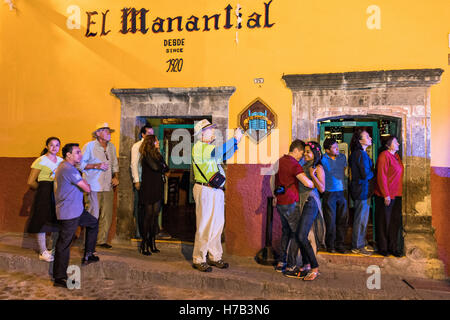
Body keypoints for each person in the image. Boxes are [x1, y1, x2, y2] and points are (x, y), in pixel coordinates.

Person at [191, 119, 242, 272]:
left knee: (217, 225)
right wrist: (233, 139)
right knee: (205, 225)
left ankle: (215, 256)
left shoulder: (209, 148)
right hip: (205, 189)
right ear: (201, 133)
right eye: (210, 129)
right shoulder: (199, 147)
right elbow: (220, 152)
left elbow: (225, 155)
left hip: (215, 190)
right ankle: (199, 258)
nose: (213, 131)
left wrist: (236, 142)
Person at [53, 143, 99, 288]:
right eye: (77, 152)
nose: (80, 155)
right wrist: (86, 183)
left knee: (93, 223)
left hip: (77, 210)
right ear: (68, 155)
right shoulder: (68, 168)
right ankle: (59, 278)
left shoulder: (69, 167)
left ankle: (88, 254)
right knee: (64, 244)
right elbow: (87, 188)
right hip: (69, 212)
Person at [271, 139, 314, 274]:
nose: (301, 157)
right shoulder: (293, 164)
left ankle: (281, 262)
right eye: (301, 153)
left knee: (286, 233)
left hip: (280, 202)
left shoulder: (280, 161)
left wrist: (274, 196)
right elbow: (306, 182)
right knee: (296, 234)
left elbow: (272, 180)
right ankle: (291, 265)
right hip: (291, 202)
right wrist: (313, 183)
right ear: (296, 150)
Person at [291, 141, 326, 281]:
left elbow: (322, 188)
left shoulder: (317, 167)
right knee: (301, 234)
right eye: (304, 151)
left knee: (301, 235)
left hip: (310, 202)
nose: (305, 154)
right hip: (301, 202)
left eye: (308, 152)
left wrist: (313, 175)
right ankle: (306, 264)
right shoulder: (302, 165)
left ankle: (314, 267)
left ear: (315, 154)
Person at [80, 123, 119, 249]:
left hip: (107, 185)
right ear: (97, 133)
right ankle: (89, 242)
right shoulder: (89, 146)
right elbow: (79, 165)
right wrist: (95, 166)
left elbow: (115, 165)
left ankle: (101, 241)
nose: (109, 133)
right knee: (92, 215)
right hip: (93, 186)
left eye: (109, 131)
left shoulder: (112, 147)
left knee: (106, 214)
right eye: (106, 131)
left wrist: (116, 177)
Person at [26, 137, 63, 262]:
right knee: (41, 221)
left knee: (56, 220)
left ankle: (52, 248)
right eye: (51, 145)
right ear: (47, 146)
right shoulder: (40, 160)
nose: (54, 147)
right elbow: (31, 181)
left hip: (57, 193)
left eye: (57, 145)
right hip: (44, 193)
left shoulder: (61, 161)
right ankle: (42, 251)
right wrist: (42, 190)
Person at [374, 136, 404, 257]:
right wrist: (386, 194)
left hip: (397, 194)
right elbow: (381, 176)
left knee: (394, 222)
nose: (398, 144)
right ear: (388, 144)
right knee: (383, 222)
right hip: (385, 195)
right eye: (396, 142)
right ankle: (383, 247)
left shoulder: (396, 156)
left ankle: (393, 247)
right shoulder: (384, 156)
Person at [138, 135, 168, 255]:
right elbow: (156, 167)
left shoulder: (158, 154)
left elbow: (166, 167)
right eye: (156, 140)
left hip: (157, 187)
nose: (158, 142)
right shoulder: (146, 155)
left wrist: (162, 167)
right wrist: (162, 167)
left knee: (155, 216)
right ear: (151, 142)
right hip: (148, 188)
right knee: (148, 216)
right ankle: (144, 243)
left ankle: (152, 241)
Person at [349, 129, 375, 256]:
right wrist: (374, 172)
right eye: (367, 136)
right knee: (360, 218)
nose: (370, 138)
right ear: (360, 141)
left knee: (363, 218)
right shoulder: (360, 154)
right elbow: (365, 173)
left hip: (363, 189)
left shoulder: (360, 153)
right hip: (361, 190)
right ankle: (357, 246)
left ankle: (362, 242)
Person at [321, 138, 348, 254]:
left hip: (342, 192)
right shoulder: (322, 159)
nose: (337, 149)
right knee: (330, 221)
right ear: (327, 150)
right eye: (334, 147)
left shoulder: (342, 157)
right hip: (329, 193)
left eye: (337, 146)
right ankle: (330, 245)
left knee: (342, 220)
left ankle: (340, 244)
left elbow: (345, 170)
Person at [130, 124, 154, 239]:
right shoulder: (137, 146)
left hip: (150, 181)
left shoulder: (153, 146)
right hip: (141, 180)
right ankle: (139, 232)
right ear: (143, 134)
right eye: (149, 134)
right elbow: (134, 164)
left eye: (152, 133)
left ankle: (149, 231)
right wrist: (137, 181)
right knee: (140, 207)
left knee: (150, 209)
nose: (151, 136)